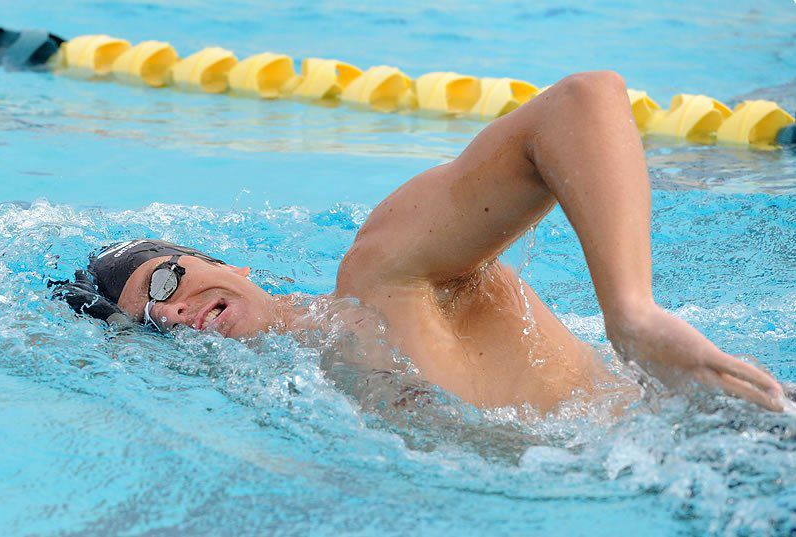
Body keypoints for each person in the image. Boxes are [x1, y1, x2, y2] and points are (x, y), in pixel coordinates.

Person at [54, 71, 788, 413]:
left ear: (227, 263)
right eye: (150, 323)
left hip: (730, 431)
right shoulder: (306, 403)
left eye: (163, 283)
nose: (172, 313)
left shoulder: (382, 274)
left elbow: (581, 102)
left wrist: (632, 314)